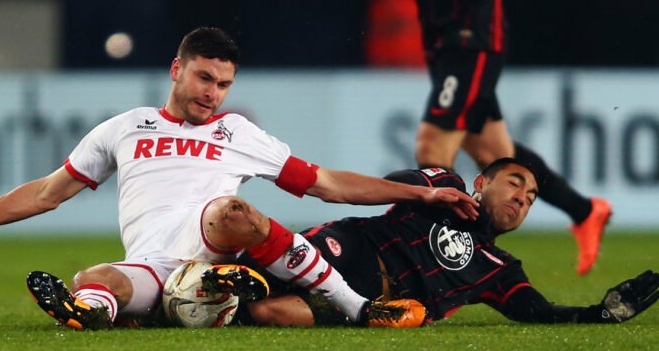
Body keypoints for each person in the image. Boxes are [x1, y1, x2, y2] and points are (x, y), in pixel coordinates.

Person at [0, 27, 479, 330]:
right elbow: (47, 193)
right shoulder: (125, 127)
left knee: (228, 211)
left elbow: (328, 183)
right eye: (203, 78)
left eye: (223, 84)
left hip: (214, 236)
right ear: (177, 69)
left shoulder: (239, 136)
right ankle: (101, 312)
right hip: (154, 262)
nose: (212, 93)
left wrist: (422, 191)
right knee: (93, 276)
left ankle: (359, 308)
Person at [360, 0, 611, 275]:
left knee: (432, 150)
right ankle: (586, 211)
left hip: (474, 37)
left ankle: (440, 267)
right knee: (495, 154)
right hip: (438, 39)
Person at [237, 158, 659, 327]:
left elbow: (535, 311)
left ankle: (206, 310)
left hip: (375, 300)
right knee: (250, 275)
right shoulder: (446, 186)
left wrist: (598, 315)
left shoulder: (499, 267)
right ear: (482, 182)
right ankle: (187, 284)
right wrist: (428, 194)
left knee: (270, 311)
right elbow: (393, 185)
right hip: (353, 247)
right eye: (514, 183)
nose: (521, 198)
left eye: (530, 198)